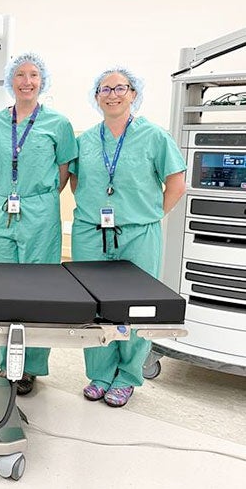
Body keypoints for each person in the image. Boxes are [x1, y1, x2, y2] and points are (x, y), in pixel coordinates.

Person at [69, 67, 186, 407]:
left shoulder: (154, 136)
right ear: (96, 97)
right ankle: (100, 374)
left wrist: (147, 217)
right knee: (94, 307)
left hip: (138, 234)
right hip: (91, 233)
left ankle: (128, 374)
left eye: (121, 88)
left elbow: (176, 185)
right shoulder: (87, 139)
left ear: (134, 94)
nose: (113, 94)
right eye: (105, 89)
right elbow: (77, 182)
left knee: (136, 306)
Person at [0, 52, 77, 395]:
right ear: (10, 81)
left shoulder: (58, 124)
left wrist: (39, 200)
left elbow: (63, 171)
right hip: (2, 208)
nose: (27, 81)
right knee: (3, 287)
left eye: (33, 75)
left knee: (37, 288)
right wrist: (10, 192)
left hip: (40, 211)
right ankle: (7, 362)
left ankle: (30, 366)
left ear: (42, 81)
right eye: (20, 75)